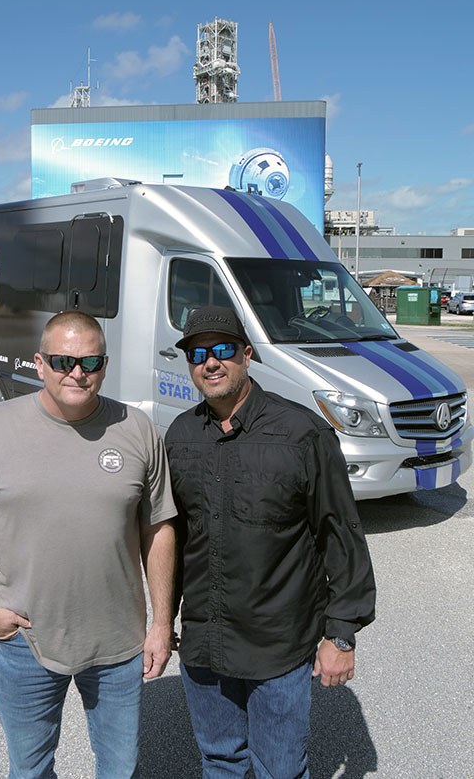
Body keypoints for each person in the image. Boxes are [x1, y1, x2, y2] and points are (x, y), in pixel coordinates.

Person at [0, 311, 177, 779]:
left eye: (90, 361)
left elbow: (159, 530)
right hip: (24, 640)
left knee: (120, 768)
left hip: (119, 642)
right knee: (29, 770)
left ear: (104, 365)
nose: (77, 372)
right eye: (62, 360)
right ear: (39, 363)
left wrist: (161, 624)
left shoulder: (137, 430)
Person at [164, 306, 376, 779]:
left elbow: (340, 532)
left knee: (280, 768)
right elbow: (172, 539)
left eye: (222, 350)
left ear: (247, 354)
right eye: (198, 354)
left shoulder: (302, 433)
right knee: (220, 760)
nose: (210, 363)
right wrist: (161, 620)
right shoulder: (180, 436)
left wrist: (341, 633)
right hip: (205, 641)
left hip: (276, 646)